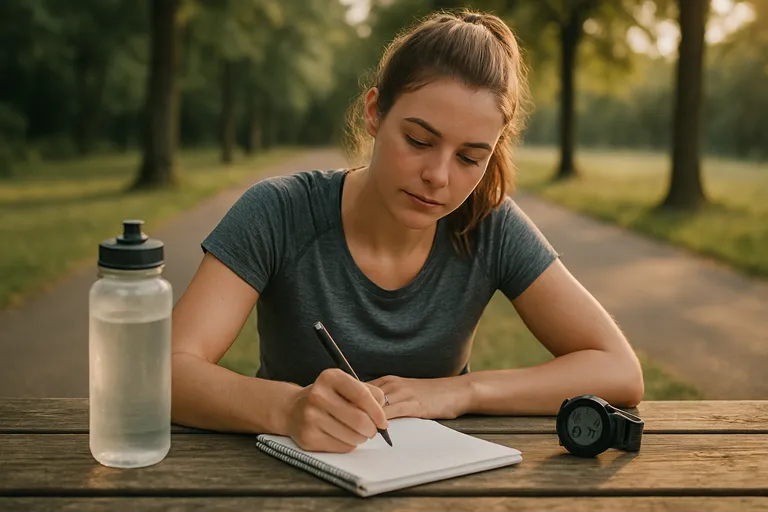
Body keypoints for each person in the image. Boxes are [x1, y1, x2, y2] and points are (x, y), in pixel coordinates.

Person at [170, 9, 644, 453]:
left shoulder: (488, 224)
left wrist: (460, 391)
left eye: (469, 158)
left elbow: (618, 369)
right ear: (374, 112)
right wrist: (289, 408)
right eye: (419, 140)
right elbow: (165, 370)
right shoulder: (279, 212)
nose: (438, 175)